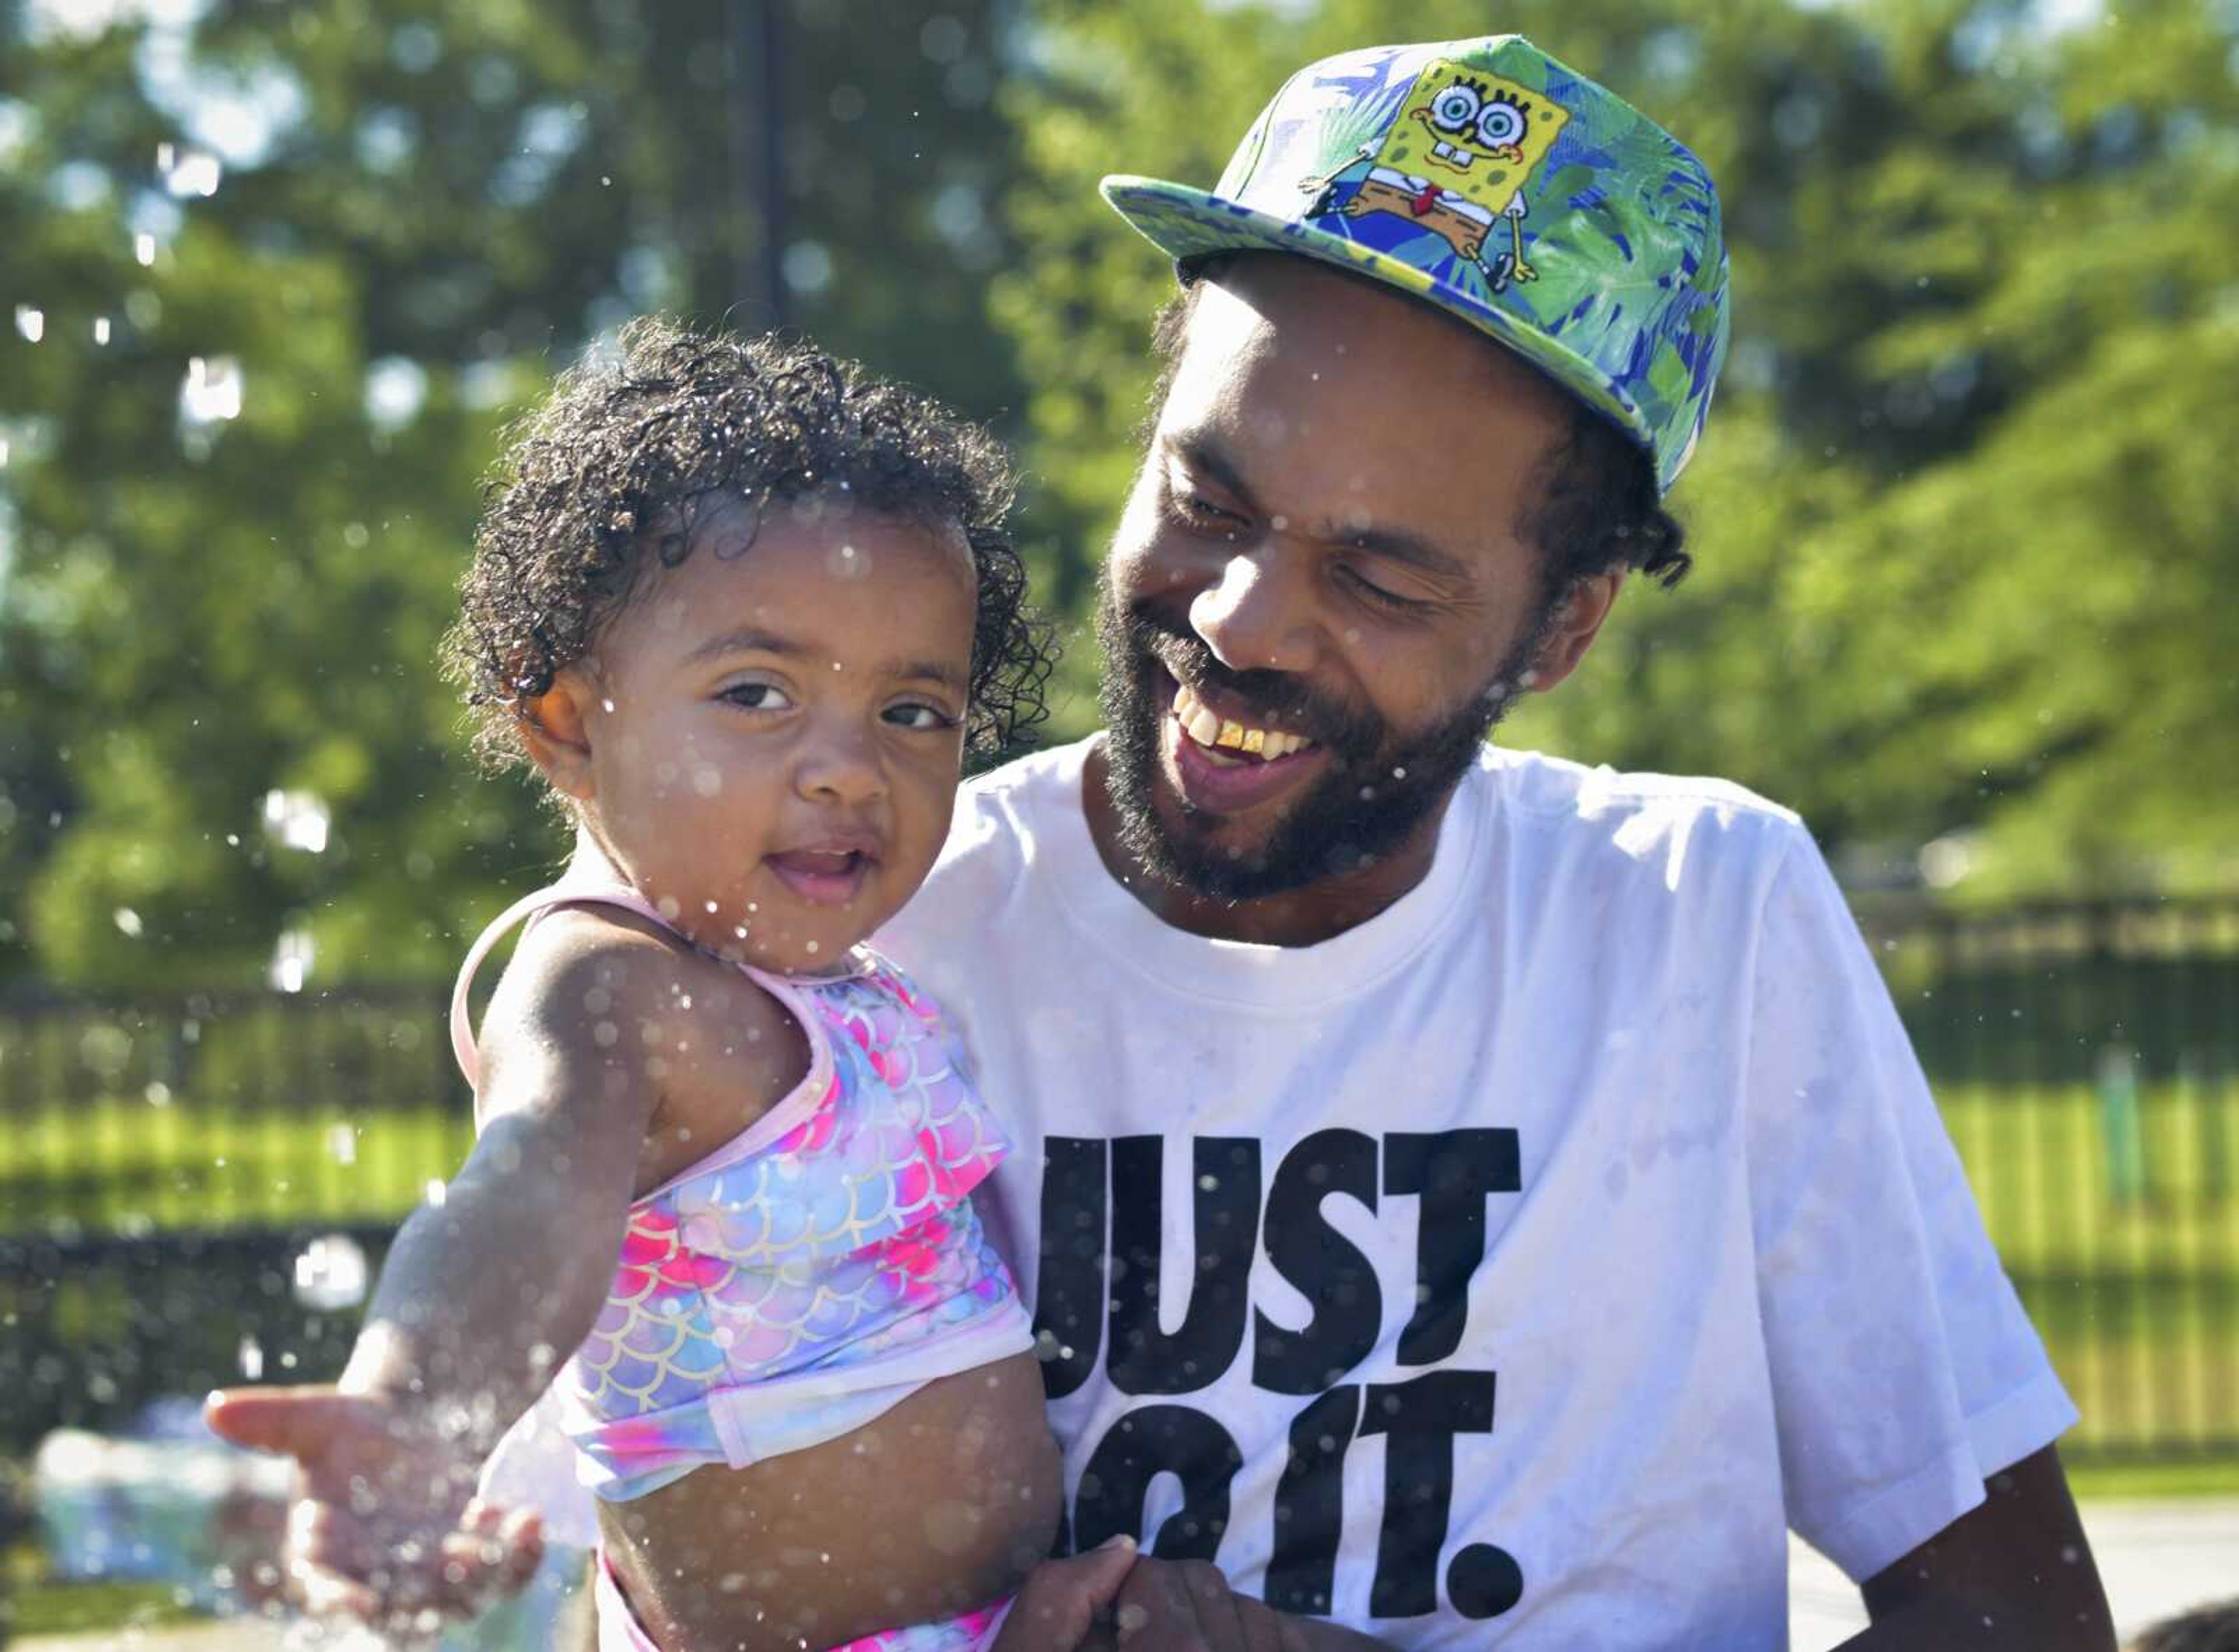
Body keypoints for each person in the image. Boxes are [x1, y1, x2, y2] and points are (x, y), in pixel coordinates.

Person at [867, 31, 2119, 1651]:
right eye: (1208, 497)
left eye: (1383, 579)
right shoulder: (881, 933)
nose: (1241, 623)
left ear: (1562, 630)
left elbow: (2016, 1623)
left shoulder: (1697, 920)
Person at [204, 319, 1092, 1651]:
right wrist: (416, 1414)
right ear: (567, 722)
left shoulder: (835, 980)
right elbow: (517, 1203)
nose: (849, 767)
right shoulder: (605, 984)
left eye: (914, 713)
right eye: (757, 692)